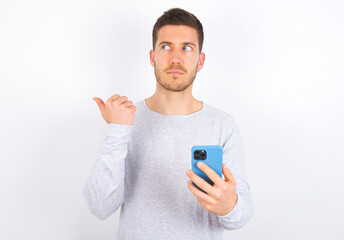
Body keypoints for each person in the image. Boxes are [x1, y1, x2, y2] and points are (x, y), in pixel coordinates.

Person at [83, 7, 254, 240]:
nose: (175, 58)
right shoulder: (125, 121)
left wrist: (229, 206)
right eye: (166, 47)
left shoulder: (222, 125)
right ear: (152, 57)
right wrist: (116, 131)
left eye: (187, 48)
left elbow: (241, 215)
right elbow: (100, 207)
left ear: (200, 60)